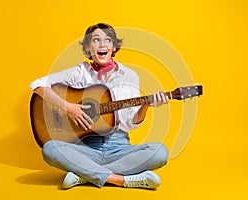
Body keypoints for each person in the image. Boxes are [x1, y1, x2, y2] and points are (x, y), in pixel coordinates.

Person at [29, 23, 170, 189]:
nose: (102, 45)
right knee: (50, 149)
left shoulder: (130, 76)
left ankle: (84, 174)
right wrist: (68, 107)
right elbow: (37, 84)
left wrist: (145, 105)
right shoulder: (80, 72)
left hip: (120, 148)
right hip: (87, 149)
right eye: (96, 40)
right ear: (88, 47)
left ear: (114, 47)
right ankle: (121, 180)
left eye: (107, 40)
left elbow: (132, 122)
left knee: (160, 152)